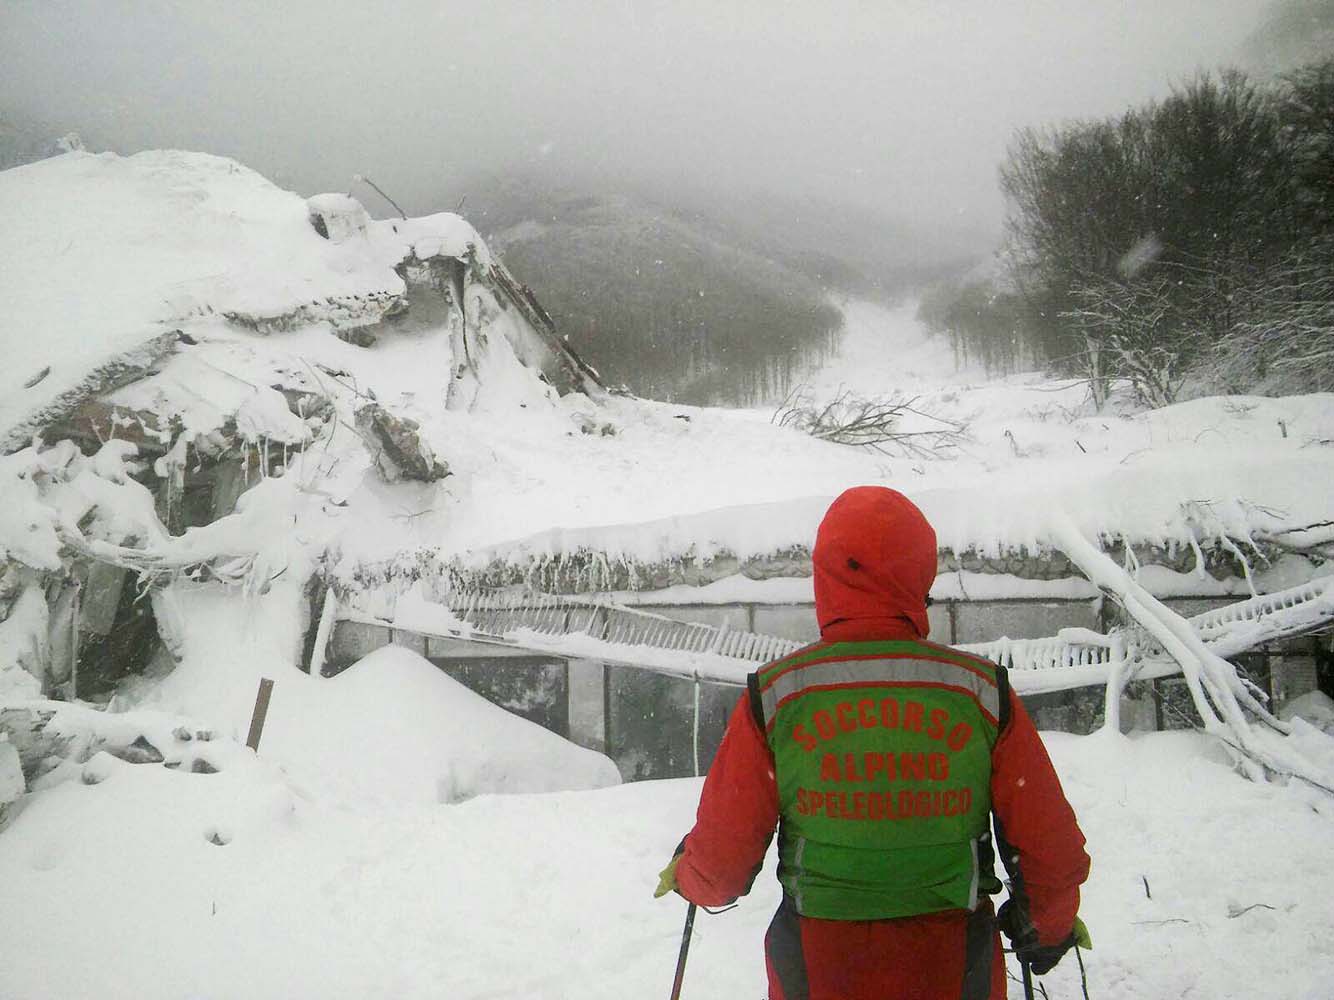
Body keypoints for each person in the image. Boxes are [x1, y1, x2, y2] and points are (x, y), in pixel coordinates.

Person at [655, 486, 1091, 1000]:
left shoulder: (777, 695)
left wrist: (691, 874)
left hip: (820, 966)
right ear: (918, 573)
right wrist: (1047, 927)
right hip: (954, 964)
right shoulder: (979, 691)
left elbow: (723, 864)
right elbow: (1049, 852)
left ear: (826, 575)